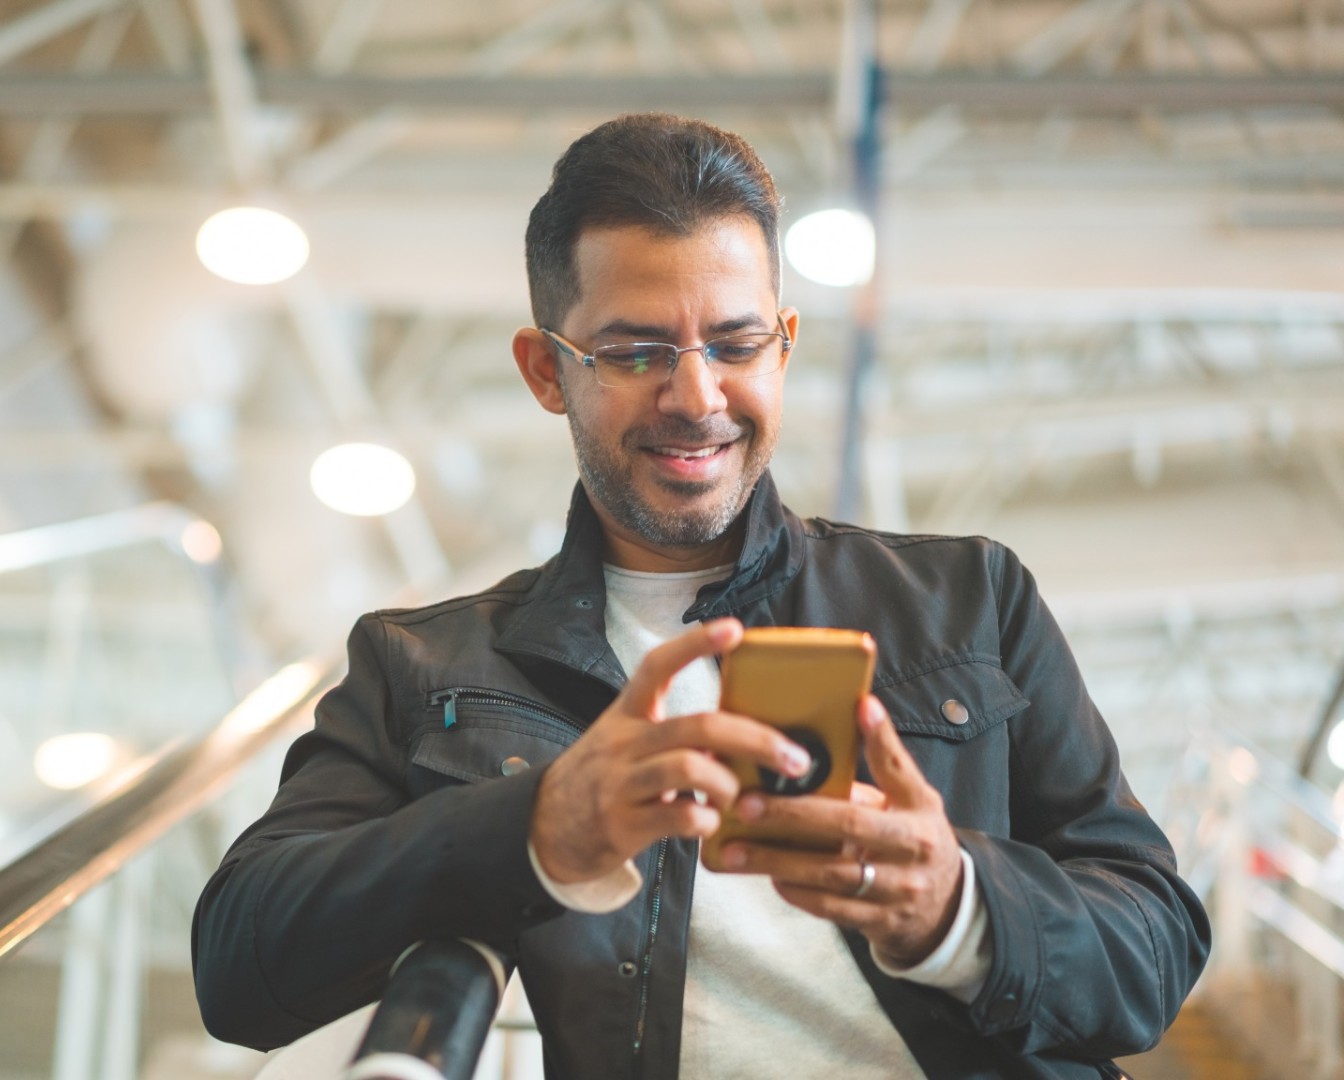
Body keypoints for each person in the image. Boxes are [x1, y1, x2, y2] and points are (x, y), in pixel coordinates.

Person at [192, 113, 1209, 1078]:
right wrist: (539, 828)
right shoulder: (431, 666)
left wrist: (959, 908)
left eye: (735, 343)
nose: (698, 397)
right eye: (636, 352)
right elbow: (239, 961)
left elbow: (1157, 942)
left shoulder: (970, 598)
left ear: (787, 343)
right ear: (546, 371)